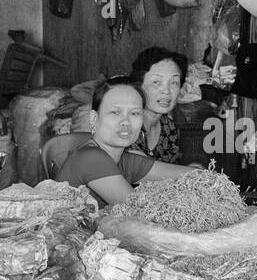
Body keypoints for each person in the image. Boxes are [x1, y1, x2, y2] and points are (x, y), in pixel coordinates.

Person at [56, 78, 198, 207]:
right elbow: (139, 211)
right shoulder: (91, 158)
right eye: (115, 112)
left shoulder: (124, 160)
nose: (126, 122)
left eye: (135, 113)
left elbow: (196, 175)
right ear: (94, 118)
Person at [128, 46, 187, 163]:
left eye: (174, 83)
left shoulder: (169, 128)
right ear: (138, 85)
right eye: (156, 82)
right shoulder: (126, 124)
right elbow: (139, 170)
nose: (166, 90)